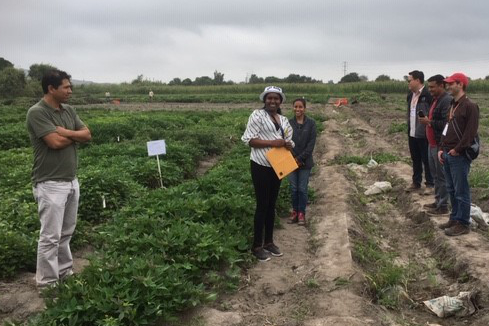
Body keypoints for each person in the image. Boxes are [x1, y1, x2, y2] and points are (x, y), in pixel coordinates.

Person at [26, 69, 92, 288]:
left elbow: (87, 135)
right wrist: (74, 135)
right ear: (51, 89)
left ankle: (65, 273)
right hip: (50, 183)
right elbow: (53, 143)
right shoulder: (37, 112)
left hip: (71, 180)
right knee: (50, 237)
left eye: (70, 86)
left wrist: (65, 132)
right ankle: (47, 283)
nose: (70, 91)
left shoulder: (68, 110)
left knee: (66, 232)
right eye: (66, 87)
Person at [241, 86, 294, 262]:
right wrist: (273, 142)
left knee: (272, 204)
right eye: (269, 98)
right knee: (262, 205)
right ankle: (256, 246)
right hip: (261, 164)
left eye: (276, 99)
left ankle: (269, 242)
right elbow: (250, 140)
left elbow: (288, 139)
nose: (272, 101)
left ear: (280, 101)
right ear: (264, 100)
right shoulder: (257, 115)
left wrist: (288, 144)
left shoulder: (284, 119)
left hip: (278, 164)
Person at [438, 73, 479, 236]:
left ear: (460, 84)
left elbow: (470, 133)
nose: (448, 86)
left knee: (461, 190)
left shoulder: (470, 106)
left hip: (459, 155)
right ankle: (454, 218)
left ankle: (463, 223)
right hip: (447, 153)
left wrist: (458, 150)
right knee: (451, 188)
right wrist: (441, 147)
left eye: (451, 83)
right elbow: (446, 129)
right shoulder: (452, 105)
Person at [418, 75, 452, 215]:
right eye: (429, 86)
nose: (430, 89)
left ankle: (443, 206)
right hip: (432, 144)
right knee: (436, 175)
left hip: (439, 144)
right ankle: (438, 201)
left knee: (441, 176)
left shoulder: (446, 101)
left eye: (432, 87)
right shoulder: (436, 100)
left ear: (441, 85)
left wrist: (429, 122)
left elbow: (446, 124)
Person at [287, 98, 317, 226]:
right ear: (293, 108)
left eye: (300, 107)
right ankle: (294, 211)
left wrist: (299, 159)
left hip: (305, 162)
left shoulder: (311, 123)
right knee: (294, 188)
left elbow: (310, 145)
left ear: (304, 108)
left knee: (302, 188)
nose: (298, 109)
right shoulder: (288, 123)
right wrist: (293, 158)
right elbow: (286, 142)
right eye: (295, 107)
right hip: (290, 161)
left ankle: (301, 213)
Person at [406, 70, 434, 192]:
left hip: (424, 134)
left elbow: (432, 113)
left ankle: (430, 184)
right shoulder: (410, 95)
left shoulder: (427, 95)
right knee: (415, 158)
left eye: (410, 80)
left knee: (426, 159)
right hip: (412, 132)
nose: (408, 83)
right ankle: (416, 182)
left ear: (417, 80)